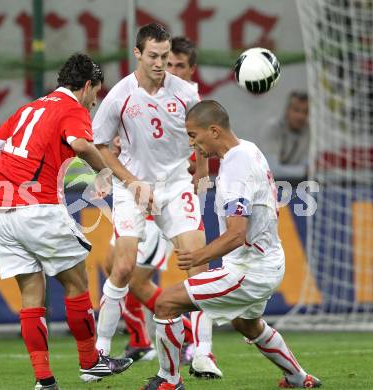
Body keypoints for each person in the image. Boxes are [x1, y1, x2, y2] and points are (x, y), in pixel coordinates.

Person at [0, 53, 132, 390]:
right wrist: (105, 174)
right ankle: (91, 362)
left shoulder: (27, 109)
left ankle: (44, 380)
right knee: (78, 286)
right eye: (96, 93)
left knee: (31, 297)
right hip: (39, 209)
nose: (95, 101)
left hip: (1, 213)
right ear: (88, 86)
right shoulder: (72, 110)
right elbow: (80, 144)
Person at [141, 100, 322, 389]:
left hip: (249, 270)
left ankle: (168, 381)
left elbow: (237, 234)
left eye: (193, 135)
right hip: (268, 260)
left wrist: (198, 256)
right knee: (247, 324)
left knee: (166, 303)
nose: (192, 144)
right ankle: (299, 378)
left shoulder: (236, 166)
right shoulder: (248, 149)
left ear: (213, 131)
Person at [93, 23, 222, 378]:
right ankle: (100, 351)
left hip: (176, 184)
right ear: (137, 53)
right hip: (133, 187)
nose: (160, 63)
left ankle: (203, 354)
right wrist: (132, 183)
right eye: (153, 56)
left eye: (165, 57)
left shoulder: (185, 93)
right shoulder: (119, 95)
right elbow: (101, 145)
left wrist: (202, 171)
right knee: (122, 267)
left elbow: (205, 136)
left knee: (198, 262)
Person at [259, 90, 309, 180]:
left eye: (305, 112)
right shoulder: (273, 128)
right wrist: (304, 170)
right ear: (287, 111)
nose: (301, 116)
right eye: (296, 110)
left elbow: (306, 163)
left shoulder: (308, 130)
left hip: (293, 184)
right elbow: (272, 170)